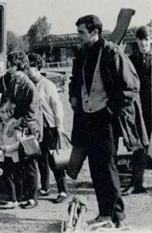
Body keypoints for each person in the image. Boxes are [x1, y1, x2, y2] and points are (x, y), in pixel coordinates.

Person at [69, 15, 144, 229]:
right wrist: (74, 97)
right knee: (96, 168)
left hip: (106, 120)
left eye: (81, 32)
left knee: (108, 168)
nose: (78, 36)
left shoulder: (112, 52)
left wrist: (111, 109)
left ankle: (117, 217)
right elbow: (75, 80)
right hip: (87, 118)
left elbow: (131, 87)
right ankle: (104, 214)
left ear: (94, 32)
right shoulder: (82, 53)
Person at [27, 53, 68, 204]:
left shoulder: (47, 85)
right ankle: (45, 187)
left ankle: (63, 191)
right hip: (36, 129)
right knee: (40, 159)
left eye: (30, 67)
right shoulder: (28, 84)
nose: (28, 70)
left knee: (54, 160)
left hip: (49, 127)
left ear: (38, 67)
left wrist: (59, 125)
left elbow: (57, 106)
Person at [4, 51, 41, 210]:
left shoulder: (30, 86)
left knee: (30, 164)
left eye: (11, 66)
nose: (9, 69)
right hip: (17, 128)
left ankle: (33, 197)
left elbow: (32, 114)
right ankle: (23, 194)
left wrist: (16, 123)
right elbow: (11, 103)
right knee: (20, 165)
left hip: (29, 129)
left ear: (19, 66)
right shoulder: (13, 83)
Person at [123, 25, 151, 196]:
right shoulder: (131, 61)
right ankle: (136, 183)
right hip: (140, 111)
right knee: (139, 147)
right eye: (140, 39)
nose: (143, 43)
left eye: (146, 39)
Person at [0, 101, 23, 210]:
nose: (0, 114)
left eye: (3, 112)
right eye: (0, 112)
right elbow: (2, 140)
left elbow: (19, 142)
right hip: (6, 156)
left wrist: (6, 148)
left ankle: (14, 199)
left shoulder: (14, 125)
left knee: (12, 177)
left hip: (14, 156)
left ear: (10, 113)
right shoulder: (4, 125)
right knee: (7, 176)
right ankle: (14, 198)